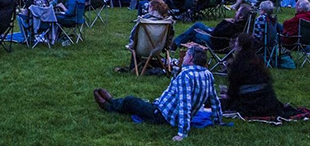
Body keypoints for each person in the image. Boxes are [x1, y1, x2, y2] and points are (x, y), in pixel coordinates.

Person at [94, 44, 222, 141]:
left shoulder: (186, 76)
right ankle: (112, 101)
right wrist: (217, 120)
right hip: (164, 109)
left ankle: (110, 106)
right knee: (140, 103)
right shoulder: (208, 74)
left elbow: (185, 104)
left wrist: (182, 134)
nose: (183, 57)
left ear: (191, 58)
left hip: (162, 115)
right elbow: (214, 100)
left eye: (186, 55)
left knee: (131, 101)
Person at [220, 33, 294, 117]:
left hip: (249, 101)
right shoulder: (258, 60)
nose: (234, 44)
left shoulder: (237, 64)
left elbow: (234, 87)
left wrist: (227, 95)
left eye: (236, 42)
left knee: (224, 103)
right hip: (266, 98)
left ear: (240, 46)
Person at [172, 4, 252, 52]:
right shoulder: (240, 25)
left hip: (216, 43)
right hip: (219, 40)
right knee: (198, 25)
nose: (235, 12)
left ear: (241, 17)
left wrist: (224, 21)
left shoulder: (232, 26)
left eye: (237, 11)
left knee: (194, 33)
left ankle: (176, 44)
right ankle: (177, 43)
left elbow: (215, 33)